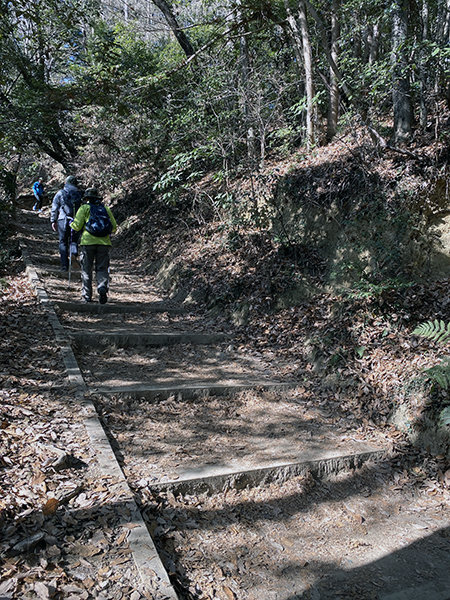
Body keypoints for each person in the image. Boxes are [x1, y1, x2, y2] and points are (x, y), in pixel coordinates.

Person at [70, 188, 117, 304]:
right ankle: (102, 287)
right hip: (104, 244)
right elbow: (114, 227)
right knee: (102, 268)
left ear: (86, 199)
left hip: (87, 242)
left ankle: (87, 296)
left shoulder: (84, 208)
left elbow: (76, 226)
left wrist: (70, 223)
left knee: (86, 269)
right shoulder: (105, 209)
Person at [50, 176, 83, 271]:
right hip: (76, 220)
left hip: (63, 220)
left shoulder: (60, 193)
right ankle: (73, 254)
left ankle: (64, 266)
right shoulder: (80, 194)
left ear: (66, 183)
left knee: (63, 242)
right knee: (74, 240)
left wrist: (53, 220)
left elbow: (55, 207)